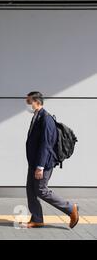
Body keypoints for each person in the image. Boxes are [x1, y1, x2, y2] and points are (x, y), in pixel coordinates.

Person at [24, 91, 79, 229]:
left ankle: (70, 209)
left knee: (41, 190)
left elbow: (46, 144)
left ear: (36, 101)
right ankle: (37, 219)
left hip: (43, 163)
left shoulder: (46, 119)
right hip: (34, 162)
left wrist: (40, 166)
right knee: (31, 190)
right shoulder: (37, 117)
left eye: (28, 101)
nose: (27, 104)